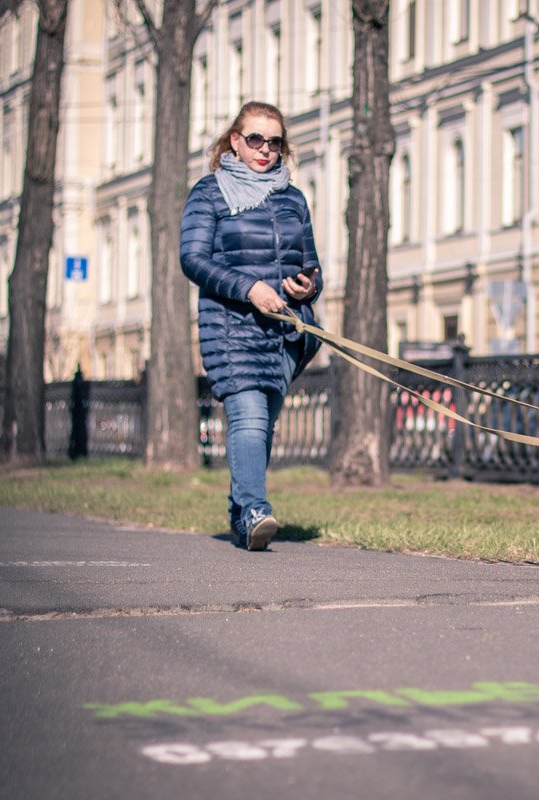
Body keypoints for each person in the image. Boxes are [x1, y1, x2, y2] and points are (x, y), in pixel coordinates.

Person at [180, 101, 322, 551]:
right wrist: (250, 289)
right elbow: (193, 259)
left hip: (281, 331)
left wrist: (305, 288)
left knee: (264, 426)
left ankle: (242, 513)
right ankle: (257, 508)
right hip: (230, 324)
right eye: (255, 139)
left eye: (274, 141)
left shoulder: (293, 197)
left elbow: (311, 265)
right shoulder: (210, 192)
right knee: (249, 417)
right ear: (235, 141)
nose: (265, 149)